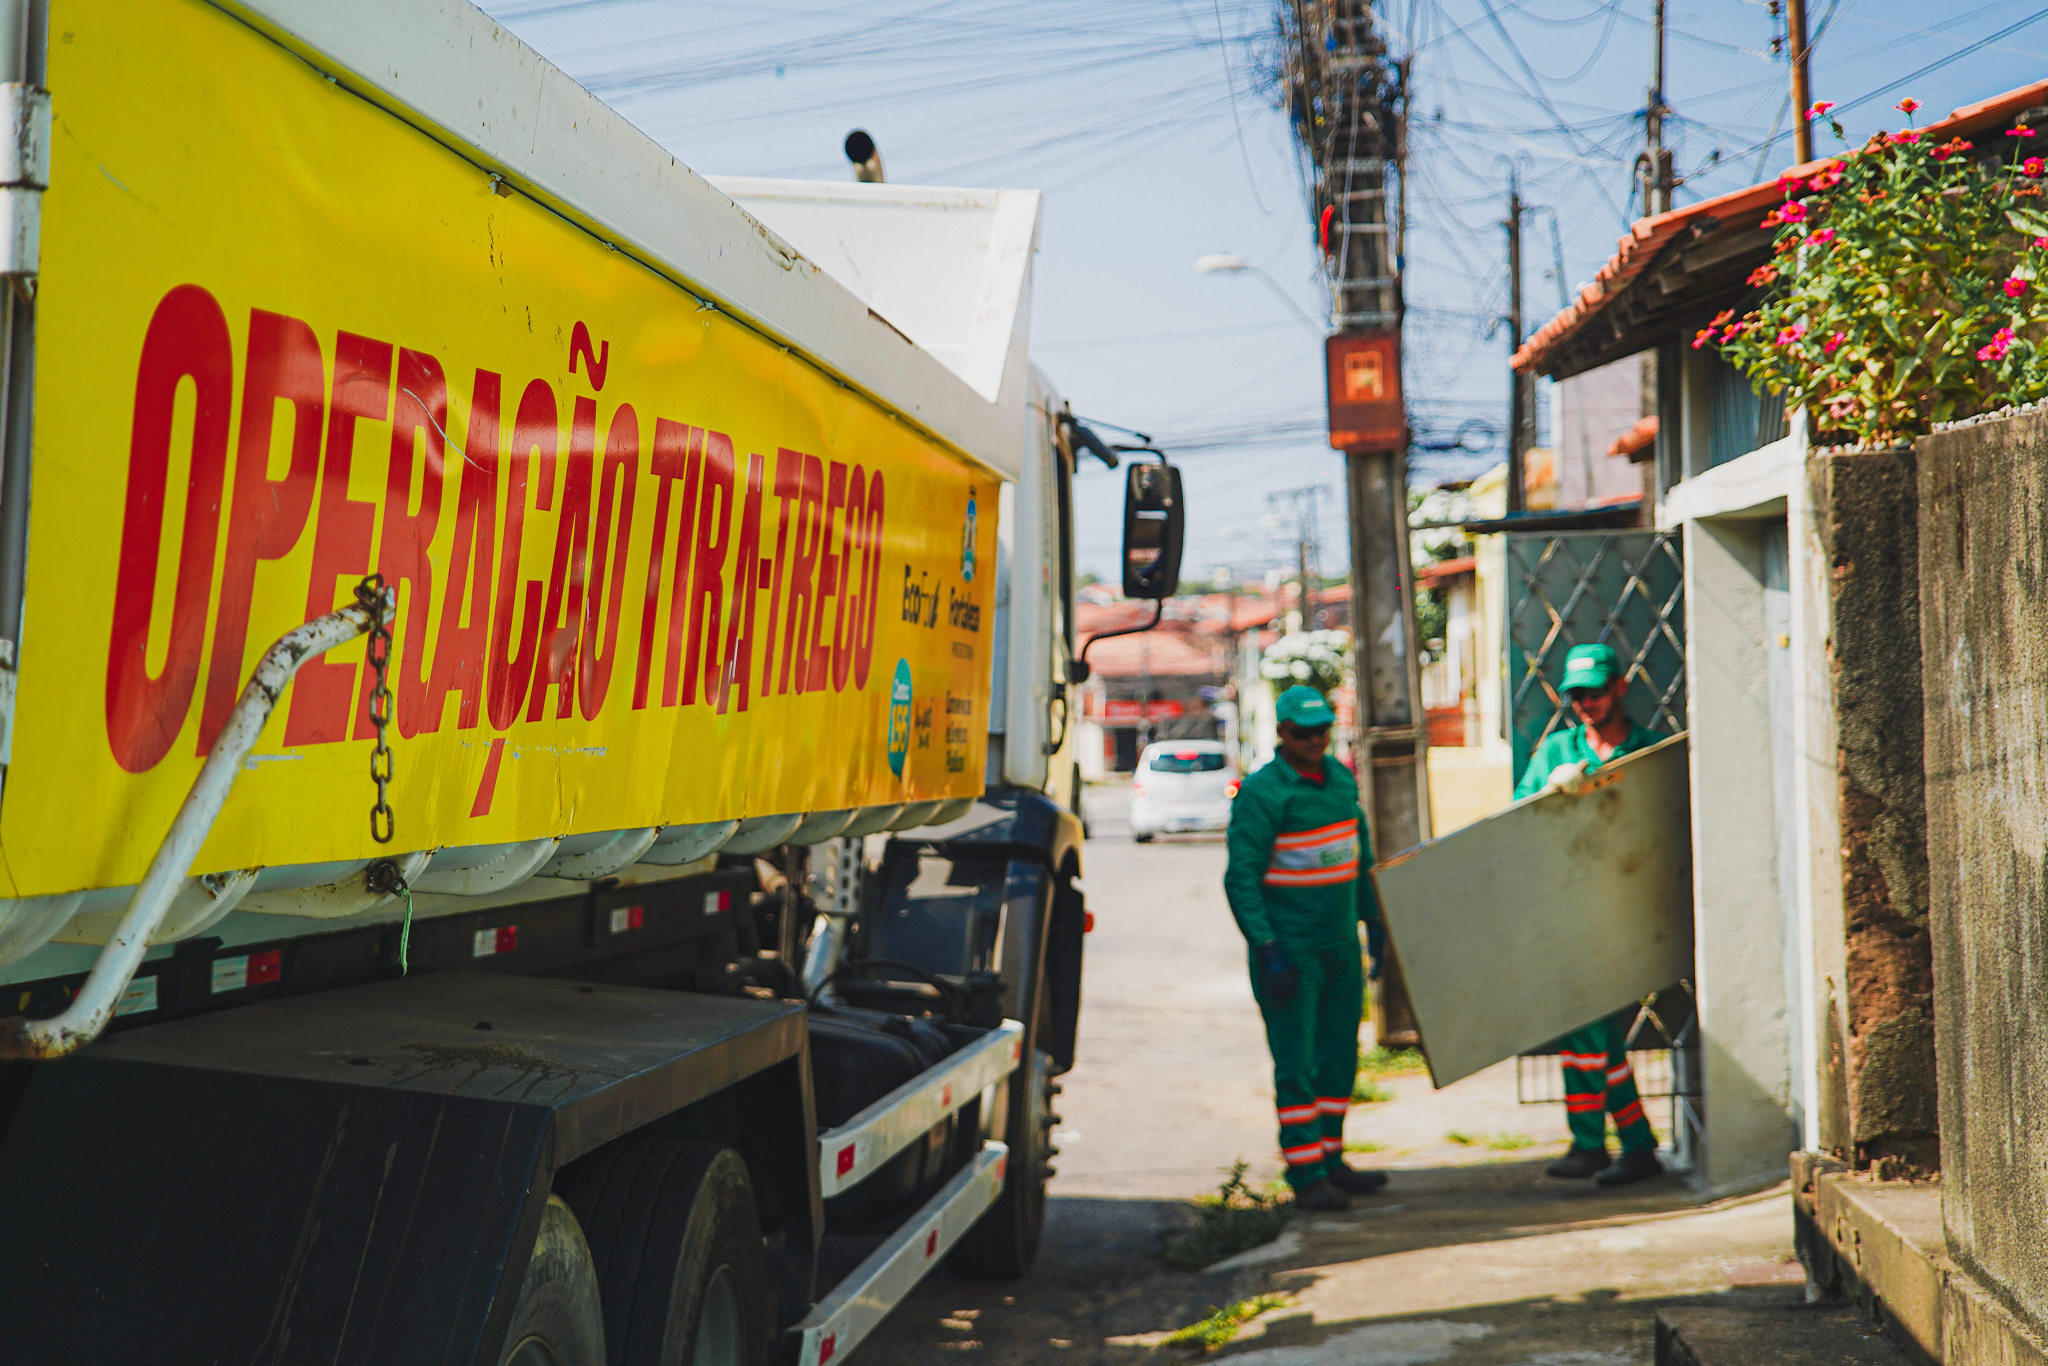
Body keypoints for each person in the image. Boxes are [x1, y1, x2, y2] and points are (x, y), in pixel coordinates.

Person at [1223, 684, 1390, 1211]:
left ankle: (1332, 1156)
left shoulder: (1340, 780)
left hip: (1341, 945)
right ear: (1281, 734)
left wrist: (1374, 919)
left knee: (1340, 1054)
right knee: (1296, 1061)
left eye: (1323, 730)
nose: (1315, 740)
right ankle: (1305, 1169)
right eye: (1303, 733)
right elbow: (1241, 880)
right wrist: (1268, 947)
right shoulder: (1263, 794)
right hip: (1291, 953)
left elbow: (1357, 854)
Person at [1513, 641, 1666, 1187]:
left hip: (1637, 910)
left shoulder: (1651, 750)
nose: (1587, 703)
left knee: (1591, 1033)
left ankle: (1611, 1143)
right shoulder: (1556, 751)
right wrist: (1552, 797)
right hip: (1574, 912)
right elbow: (1520, 818)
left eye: (1596, 692)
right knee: (1586, 1029)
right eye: (1577, 695)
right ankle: (1617, 1143)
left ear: (1619, 688)